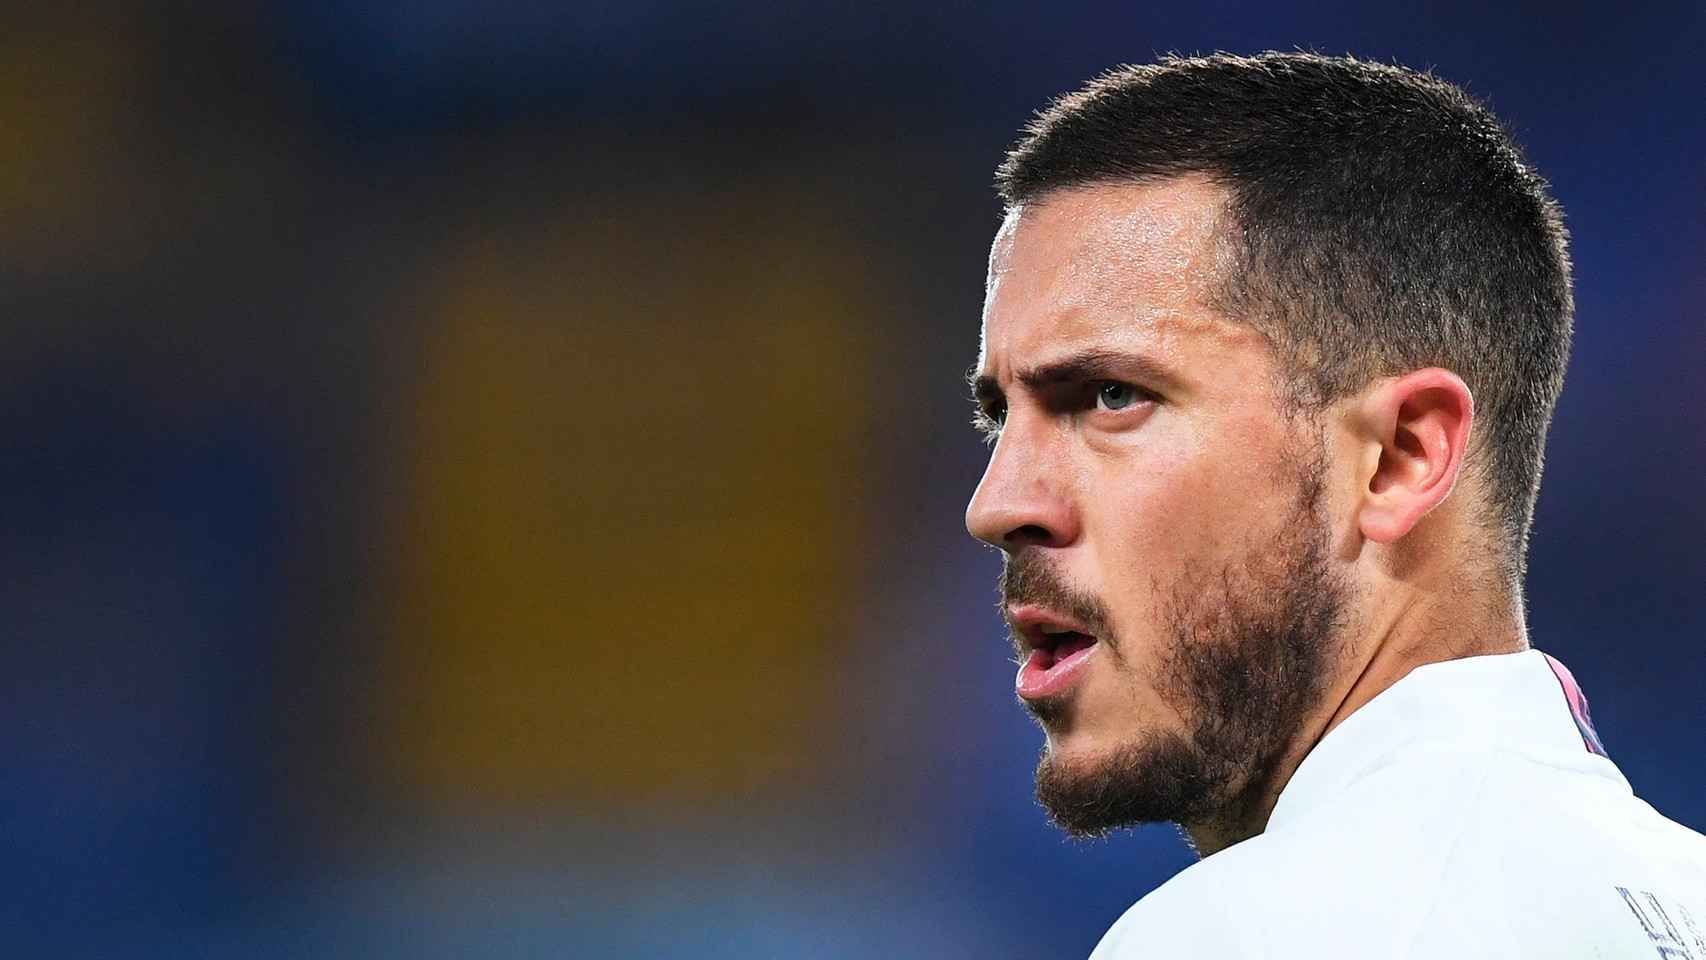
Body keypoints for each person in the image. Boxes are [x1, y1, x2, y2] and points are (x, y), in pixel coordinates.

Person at [964, 52, 1706, 958]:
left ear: (1399, 458)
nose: (997, 504)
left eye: (1111, 396)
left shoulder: (1251, 934)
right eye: (1000, 415)